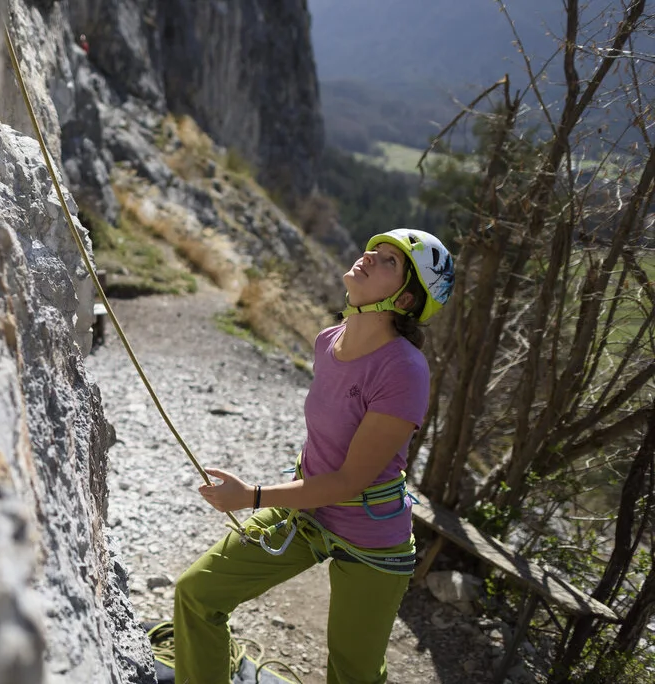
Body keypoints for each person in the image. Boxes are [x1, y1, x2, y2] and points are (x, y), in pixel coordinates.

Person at [173, 228, 455, 684]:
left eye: (389, 261)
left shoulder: (403, 369)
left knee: (354, 674)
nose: (369, 257)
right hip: (308, 514)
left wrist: (253, 496)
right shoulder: (329, 340)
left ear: (405, 301)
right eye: (374, 250)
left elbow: (351, 480)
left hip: (371, 536)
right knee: (197, 593)